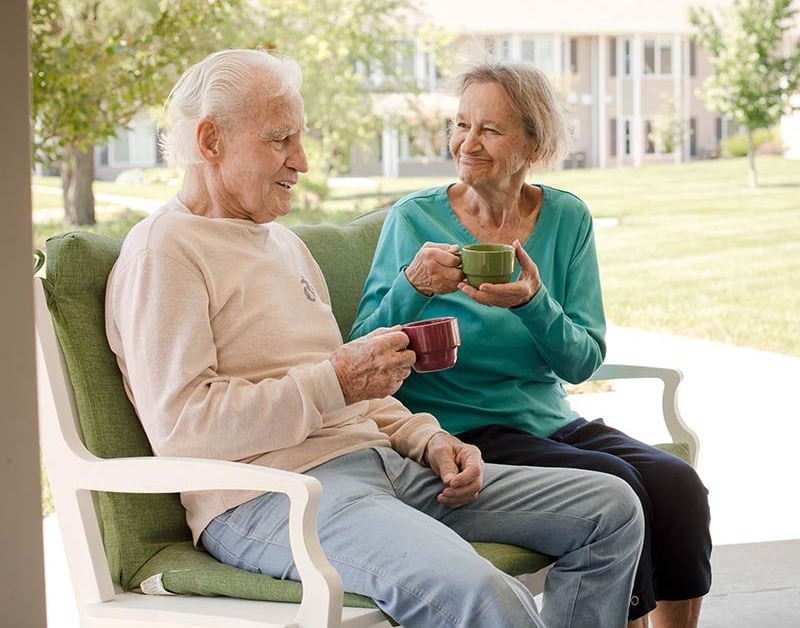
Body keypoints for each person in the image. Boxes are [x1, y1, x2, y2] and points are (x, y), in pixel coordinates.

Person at [104, 49, 643, 628]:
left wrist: (428, 438)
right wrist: (334, 379)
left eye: (300, 138)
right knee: (486, 596)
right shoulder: (165, 252)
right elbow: (186, 430)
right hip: (273, 497)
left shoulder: (282, 244)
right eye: (281, 139)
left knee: (612, 509)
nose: (302, 161)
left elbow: (349, 385)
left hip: (385, 466)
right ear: (211, 142)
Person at [350, 61, 712, 628]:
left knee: (679, 485)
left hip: (547, 421)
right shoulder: (414, 219)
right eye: (460, 124)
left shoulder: (566, 218)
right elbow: (359, 350)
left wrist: (532, 302)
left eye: (490, 130)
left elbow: (582, 361)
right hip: (457, 429)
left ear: (533, 142)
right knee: (620, 486)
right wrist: (413, 287)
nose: (467, 142)